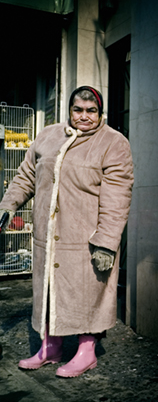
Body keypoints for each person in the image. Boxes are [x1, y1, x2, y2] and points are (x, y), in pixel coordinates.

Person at [0, 86, 134, 377]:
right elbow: (26, 176)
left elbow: (117, 197)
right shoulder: (49, 135)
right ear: (69, 111)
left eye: (91, 111)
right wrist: (7, 207)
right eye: (78, 110)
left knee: (87, 294)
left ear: (100, 113)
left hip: (86, 239)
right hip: (47, 238)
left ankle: (86, 352)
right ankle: (50, 347)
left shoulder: (113, 143)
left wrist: (107, 242)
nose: (84, 117)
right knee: (48, 292)